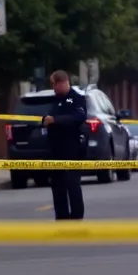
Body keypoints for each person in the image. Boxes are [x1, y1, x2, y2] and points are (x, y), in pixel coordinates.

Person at [42, 70, 87, 220]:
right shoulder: (55, 100)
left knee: (72, 182)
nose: (53, 87)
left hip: (72, 147)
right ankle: (61, 216)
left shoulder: (77, 99)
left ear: (62, 82)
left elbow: (78, 117)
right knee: (57, 183)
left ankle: (76, 215)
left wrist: (55, 120)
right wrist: (45, 120)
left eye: (54, 84)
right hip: (55, 148)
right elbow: (47, 117)